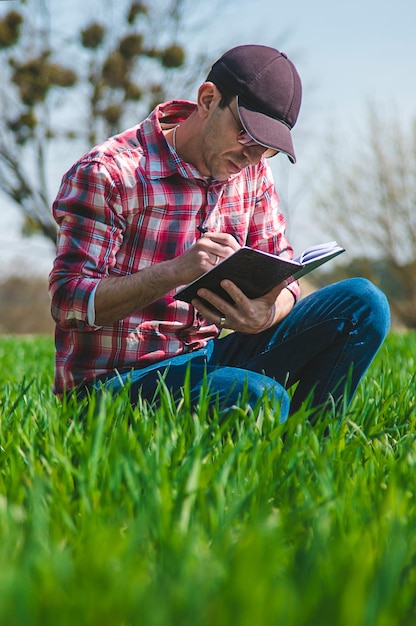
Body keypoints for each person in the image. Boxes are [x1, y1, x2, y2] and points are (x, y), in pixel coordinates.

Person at [49, 44, 390, 423]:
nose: (253, 156)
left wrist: (266, 312)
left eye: (267, 148)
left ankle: (312, 454)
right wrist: (175, 272)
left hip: (207, 359)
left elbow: (285, 272)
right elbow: (67, 301)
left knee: (364, 302)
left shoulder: (253, 173)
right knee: (258, 397)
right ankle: (272, 447)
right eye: (246, 134)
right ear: (209, 99)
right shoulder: (110, 173)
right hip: (114, 382)